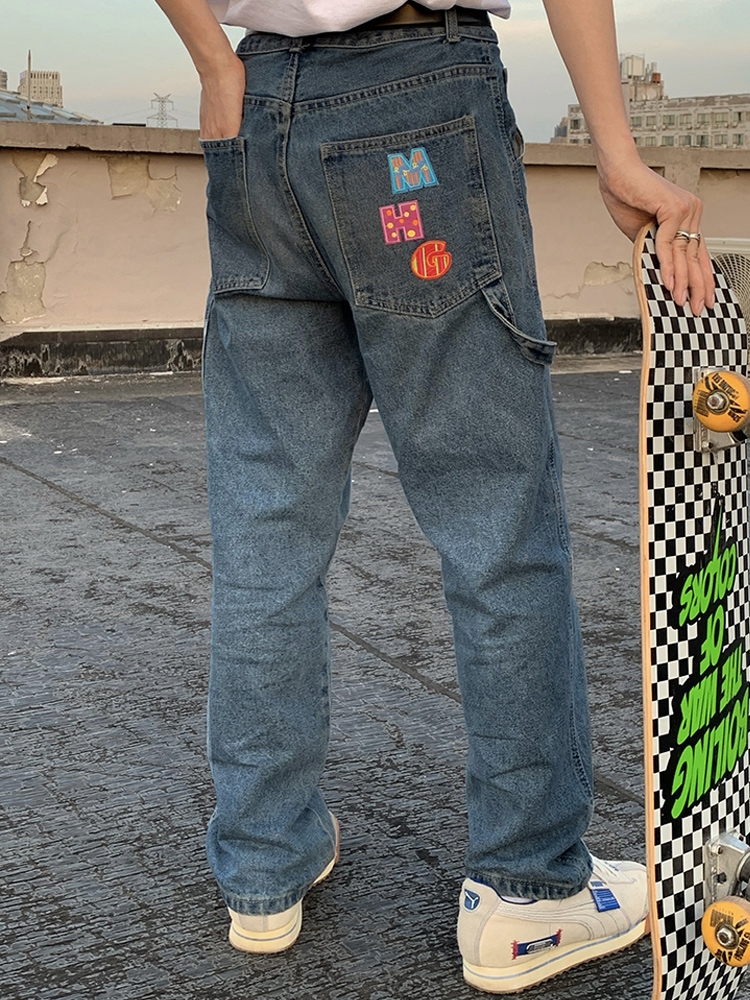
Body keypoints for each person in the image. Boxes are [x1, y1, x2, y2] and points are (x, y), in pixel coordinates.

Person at [155, 0, 715, 992]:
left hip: (257, 107)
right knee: (497, 523)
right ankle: (530, 890)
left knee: (266, 529)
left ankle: (264, 863)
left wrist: (213, 60)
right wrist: (616, 150)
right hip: (419, 96)